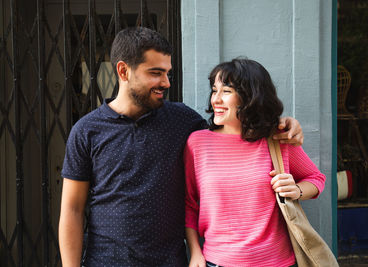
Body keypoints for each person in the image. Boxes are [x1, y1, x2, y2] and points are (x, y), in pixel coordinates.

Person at [58, 27, 303, 267]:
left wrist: (278, 125)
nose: (165, 82)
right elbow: (72, 209)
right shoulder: (87, 130)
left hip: (170, 261)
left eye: (167, 73)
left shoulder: (183, 120)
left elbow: (234, 129)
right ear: (123, 71)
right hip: (106, 261)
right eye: (155, 73)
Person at [184, 58, 326, 267]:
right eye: (215, 90)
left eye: (226, 91)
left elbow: (316, 179)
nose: (216, 99)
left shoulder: (277, 138)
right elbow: (190, 204)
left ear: (249, 96)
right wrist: (195, 252)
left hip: (277, 262)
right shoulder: (197, 143)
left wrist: (296, 190)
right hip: (218, 261)